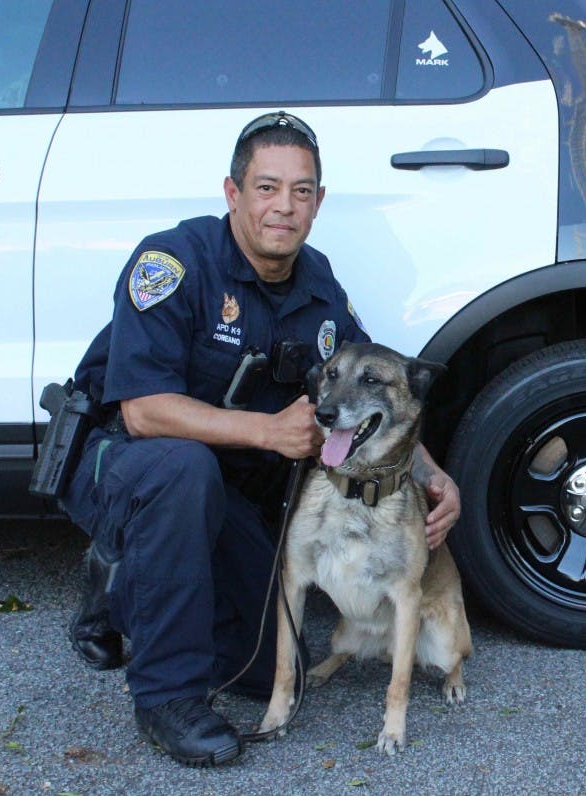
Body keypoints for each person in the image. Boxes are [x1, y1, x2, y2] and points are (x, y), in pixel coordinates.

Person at [58, 112, 460, 768]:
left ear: (319, 202)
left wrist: (432, 475)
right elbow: (142, 413)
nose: (285, 206)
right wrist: (268, 431)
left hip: (224, 486)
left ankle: (129, 592)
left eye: (301, 191)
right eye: (267, 187)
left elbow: (372, 395)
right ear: (232, 193)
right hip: (124, 464)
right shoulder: (174, 262)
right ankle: (166, 695)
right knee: (181, 470)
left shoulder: (318, 285)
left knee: (276, 670)